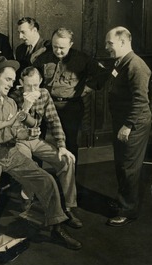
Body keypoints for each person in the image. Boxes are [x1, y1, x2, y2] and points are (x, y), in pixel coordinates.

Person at [0, 56, 82, 265]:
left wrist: (28, 134)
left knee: (46, 180)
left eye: (12, 80)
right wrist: (10, 121)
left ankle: (56, 226)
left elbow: (16, 131)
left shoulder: (10, 102)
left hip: (10, 152)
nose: (11, 84)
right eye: (8, 79)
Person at [9, 66, 82, 228]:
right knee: (28, 166)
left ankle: (68, 207)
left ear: (41, 82)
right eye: (28, 86)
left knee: (66, 160)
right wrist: (26, 106)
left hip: (35, 140)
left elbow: (54, 120)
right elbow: (12, 126)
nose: (33, 89)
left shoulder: (44, 94)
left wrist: (62, 146)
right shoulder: (13, 96)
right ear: (21, 83)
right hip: (18, 140)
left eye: (36, 85)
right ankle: (27, 196)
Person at [33, 27, 105, 169]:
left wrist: (85, 90)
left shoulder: (82, 59)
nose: (58, 51)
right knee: (37, 141)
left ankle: (69, 182)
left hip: (70, 107)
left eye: (62, 48)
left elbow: (102, 74)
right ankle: (37, 180)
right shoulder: (43, 58)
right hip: (45, 105)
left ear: (71, 44)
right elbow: (32, 75)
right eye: (55, 47)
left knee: (70, 144)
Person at [104, 27, 151, 227]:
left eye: (110, 43)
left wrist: (128, 126)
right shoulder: (121, 62)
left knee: (129, 167)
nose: (106, 47)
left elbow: (141, 101)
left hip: (133, 123)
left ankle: (128, 210)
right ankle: (123, 200)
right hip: (123, 122)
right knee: (121, 164)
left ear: (123, 42)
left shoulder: (136, 66)